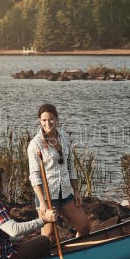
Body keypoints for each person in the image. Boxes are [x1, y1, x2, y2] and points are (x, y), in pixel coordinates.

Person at [27, 103, 91, 241]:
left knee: (84, 227)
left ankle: (75, 252)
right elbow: (34, 175)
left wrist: (76, 191)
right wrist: (42, 203)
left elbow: (70, 165)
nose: (47, 123)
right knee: (48, 237)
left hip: (66, 193)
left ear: (56, 119)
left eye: (50, 119)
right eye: (43, 120)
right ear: (39, 120)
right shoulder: (35, 144)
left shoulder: (63, 136)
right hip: (47, 196)